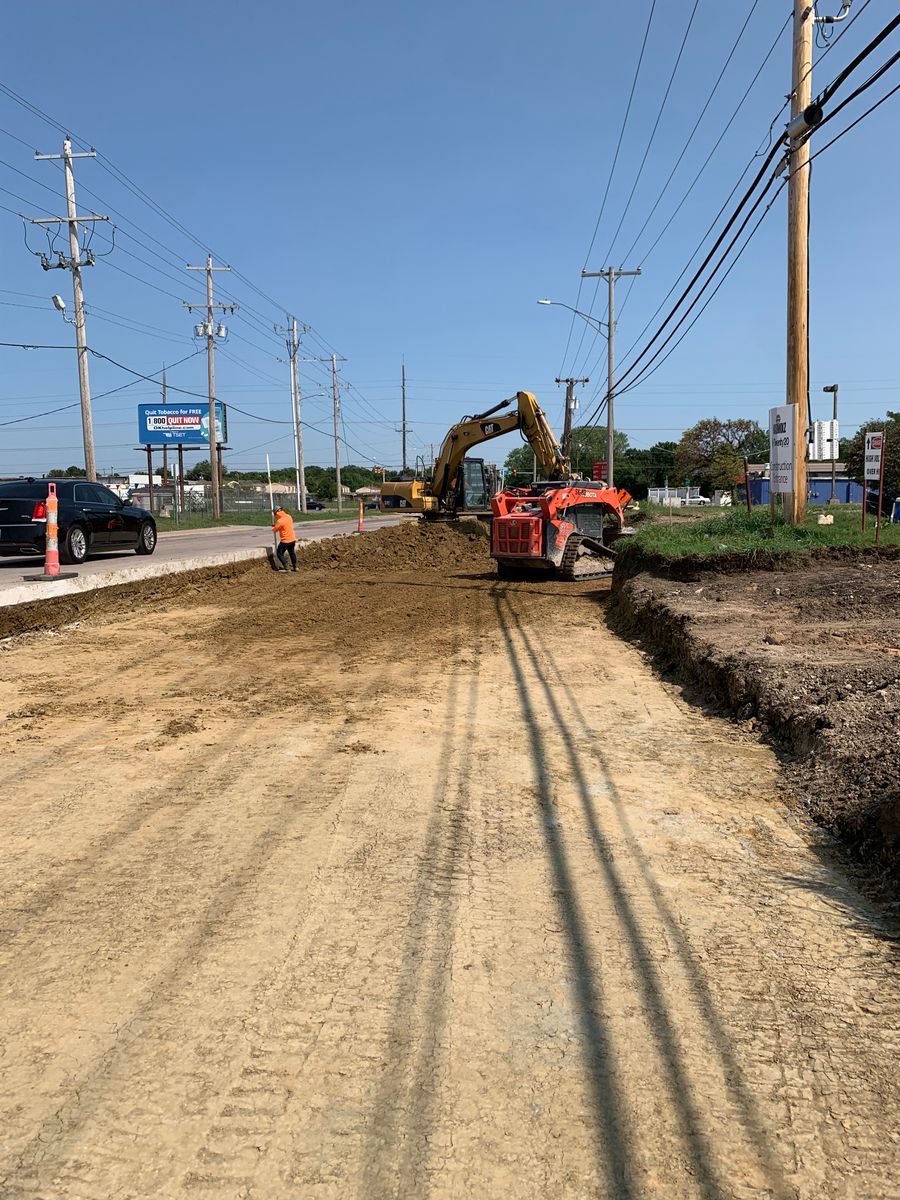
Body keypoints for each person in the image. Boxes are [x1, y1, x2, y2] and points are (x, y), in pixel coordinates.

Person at [272, 504, 298, 571]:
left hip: (285, 541)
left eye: (275, 514)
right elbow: (285, 525)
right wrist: (276, 525)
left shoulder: (280, 521)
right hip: (292, 539)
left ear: (276, 513)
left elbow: (275, 530)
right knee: (292, 553)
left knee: (279, 553)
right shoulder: (289, 516)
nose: (275, 516)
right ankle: (295, 567)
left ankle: (286, 566)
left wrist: (274, 526)